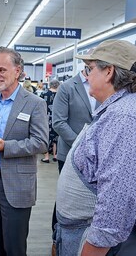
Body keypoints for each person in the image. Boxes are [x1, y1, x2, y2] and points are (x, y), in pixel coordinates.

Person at [55, 40, 136, 256]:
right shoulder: (121, 108)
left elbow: (119, 194)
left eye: (90, 69)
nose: (87, 76)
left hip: (106, 245)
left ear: (109, 71)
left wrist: (95, 247)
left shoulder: (125, 117)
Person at [0, 47, 49, 256]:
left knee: (15, 248)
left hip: (17, 186)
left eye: (2, 70)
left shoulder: (35, 103)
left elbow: (41, 142)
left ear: (17, 71)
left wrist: (5, 146)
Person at [50, 67, 97, 255]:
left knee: (89, 199)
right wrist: (81, 145)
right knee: (65, 198)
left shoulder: (107, 86)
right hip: (70, 154)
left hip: (97, 156)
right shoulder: (68, 87)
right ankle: (57, 239)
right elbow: (59, 122)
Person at [40, 78, 60, 163]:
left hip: (46, 118)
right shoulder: (60, 95)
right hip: (57, 118)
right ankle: (56, 156)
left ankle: (46, 157)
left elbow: (39, 107)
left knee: (46, 137)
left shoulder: (44, 94)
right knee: (56, 138)